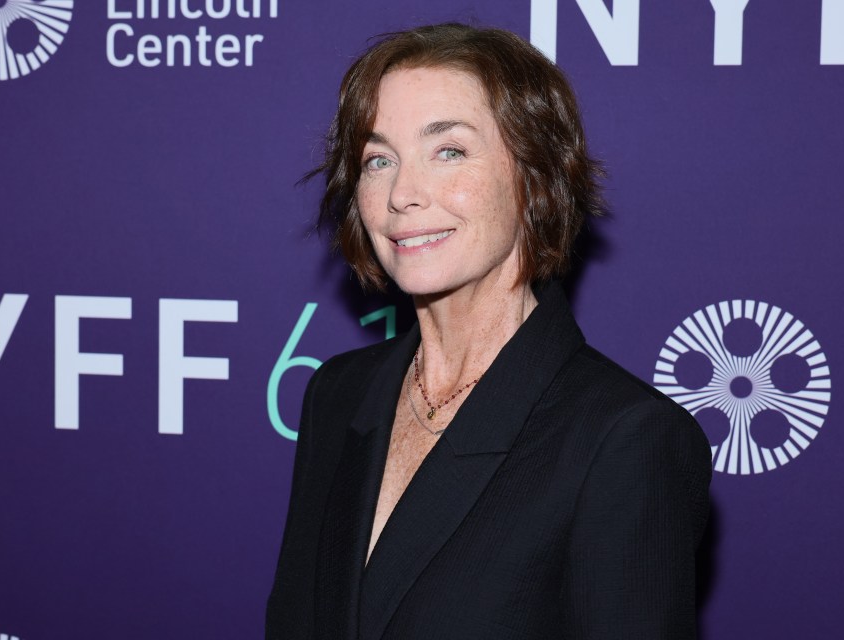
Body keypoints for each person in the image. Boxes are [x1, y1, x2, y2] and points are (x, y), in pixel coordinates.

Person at [266, 23, 711, 640]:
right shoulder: (338, 395)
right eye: (378, 159)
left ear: (533, 176)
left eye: (449, 151)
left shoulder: (624, 439)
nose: (402, 194)